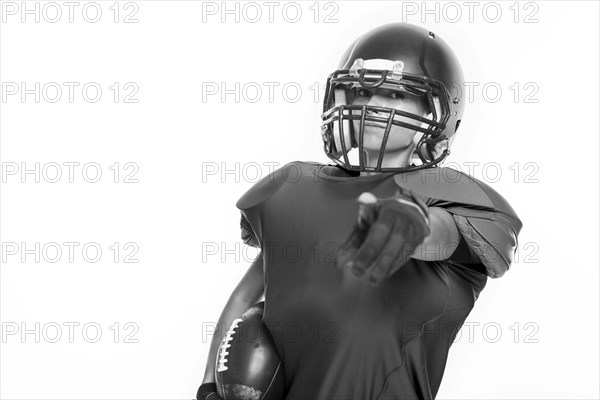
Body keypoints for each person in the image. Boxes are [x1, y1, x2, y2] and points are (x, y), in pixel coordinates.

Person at [197, 22, 522, 400]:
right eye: (361, 91)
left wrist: (416, 225)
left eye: (396, 95)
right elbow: (246, 296)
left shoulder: (445, 192)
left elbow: (447, 237)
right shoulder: (294, 186)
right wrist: (209, 388)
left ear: (437, 114)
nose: (372, 104)